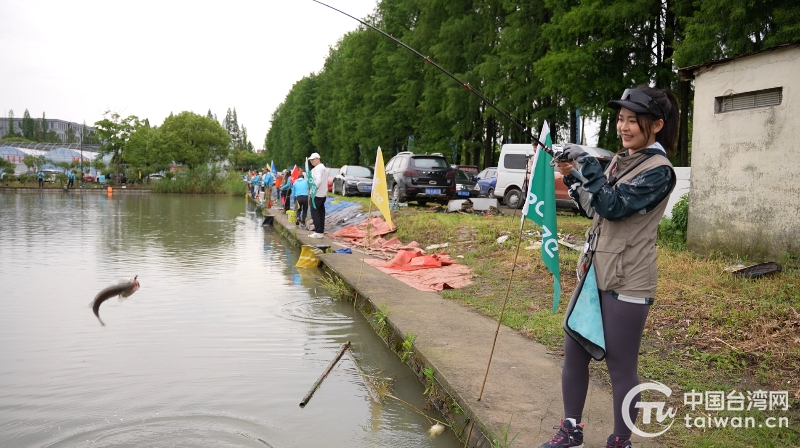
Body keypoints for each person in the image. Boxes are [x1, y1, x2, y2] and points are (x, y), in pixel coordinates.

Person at [540, 86, 678, 448]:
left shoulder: (659, 171)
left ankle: (620, 440)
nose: (624, 126)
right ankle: (571, 430)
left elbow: (616, 205)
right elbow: (595, 206)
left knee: (620, 367)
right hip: (595, 273)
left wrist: (586, 161)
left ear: (657, 125)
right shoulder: (620, 160)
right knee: (574, 352)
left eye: (634, 120)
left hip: (630, 280)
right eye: (621, 119)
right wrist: (572, 175)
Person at [308, 153, 328, 238]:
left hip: (316, 194)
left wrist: (313, 190)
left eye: (312, 160)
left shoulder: (317, 169)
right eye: (310, 160)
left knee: (315, 213)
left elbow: (318, 180)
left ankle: (317, 232)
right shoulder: (324, 168)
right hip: (323, 194)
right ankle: (320, 231)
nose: (311, 162)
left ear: (317, 159)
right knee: (321, 213)